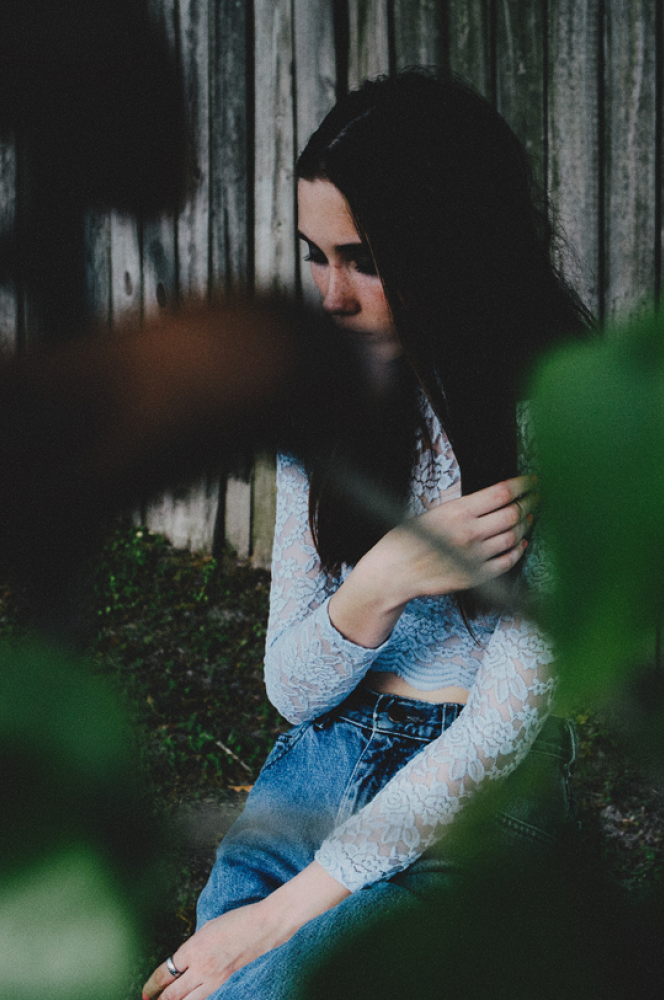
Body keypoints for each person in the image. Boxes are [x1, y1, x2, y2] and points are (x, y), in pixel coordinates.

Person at [142, 70, 591, 1000]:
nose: (331, 295)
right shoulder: (321, 409)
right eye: (315, 256)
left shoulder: (559, 417)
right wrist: (381, 580)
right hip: (314, 768)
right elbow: (292, 689)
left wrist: (275, 919)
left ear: (453, 252)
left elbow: (502, 729)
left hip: (473, 802)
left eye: (365, 260)